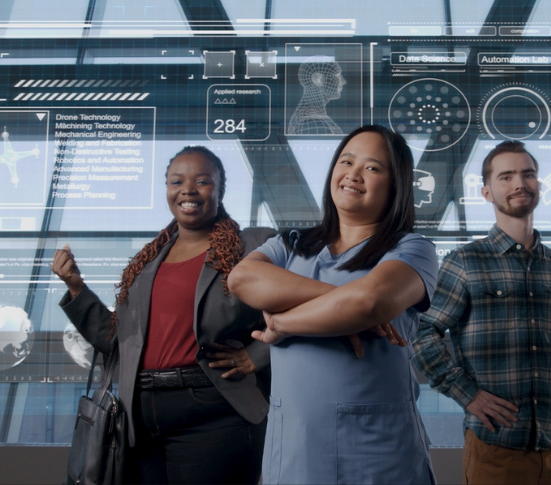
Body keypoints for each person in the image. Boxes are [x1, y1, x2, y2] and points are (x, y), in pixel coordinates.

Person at [51, 146, 275, 484]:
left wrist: (257, 355)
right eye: (177, 181)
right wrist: (75, 287)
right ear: (168, 190)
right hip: (140, 419)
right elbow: (116, 341)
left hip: (215, 411)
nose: (188, 189)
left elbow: (302, 303)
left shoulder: (253, 245)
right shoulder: (148, 262)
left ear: (220, 189)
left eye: (202, 181)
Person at [228, 125, 438, 484]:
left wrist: (281, 323)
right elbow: (241, 280)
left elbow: (369, 300)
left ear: (396, 185)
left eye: (372, 168)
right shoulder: (291, 244)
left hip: (377, 452)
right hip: (295, 449)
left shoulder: (412, 250)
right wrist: (340, 306)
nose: (353, 174)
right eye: (347, 161)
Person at [411, 140, 551, 485]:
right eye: (506, 177)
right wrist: (469, 395)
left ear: (539, 185)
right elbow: (422, 331)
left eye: (528, 175)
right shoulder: (465, 262)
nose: (520, 184)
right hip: (496, 443)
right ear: (487, 192)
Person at [287, 57, 346, 135]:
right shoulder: (313, 122)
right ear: (318, 80)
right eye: (337, 75)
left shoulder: (309, 117)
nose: (343, 81)